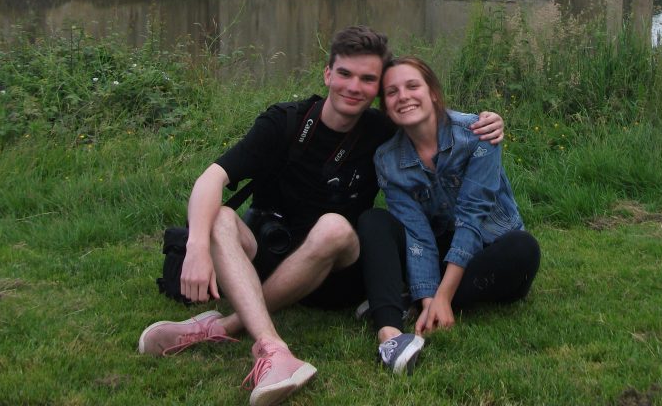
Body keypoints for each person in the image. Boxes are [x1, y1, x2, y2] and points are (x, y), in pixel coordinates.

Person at [137, 27, 503, 406]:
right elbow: (211, 178)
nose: (353, 87)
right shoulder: (284, 121)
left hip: (336, 273)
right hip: (270, 257)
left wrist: (485, 121)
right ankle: (272, 347)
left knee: (334, 227)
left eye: (367, 80)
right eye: (344, 74)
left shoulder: (380, 130)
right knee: (222, 217)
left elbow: (428, 112)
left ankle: (230, 327)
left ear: (376, 89)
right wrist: (197, 245)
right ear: (328, 74)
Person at [357, 56, 540, 375]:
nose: (404, 96)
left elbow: (472, 217)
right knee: (374, 220)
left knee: (524, 249)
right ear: (386, 107)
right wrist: (431, 298)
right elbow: (417, 234)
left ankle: (416, 300)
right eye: (392, 92)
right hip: (439, 249)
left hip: (489, 247)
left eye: (413, 86)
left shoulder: (477, 132)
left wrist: (441, 295)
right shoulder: (387, 160)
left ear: (434, 94)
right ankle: (412, 310)